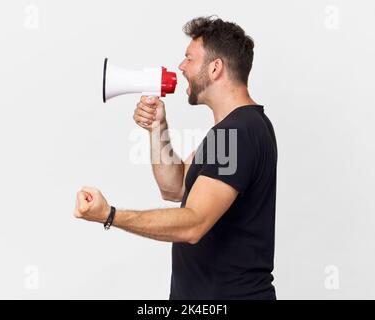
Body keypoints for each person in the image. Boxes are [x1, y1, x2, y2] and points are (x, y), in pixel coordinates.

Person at [74, 16, 278, 300]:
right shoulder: (232, 130)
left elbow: (193, 224)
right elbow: (175, 187)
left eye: (189, 58)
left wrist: (109, 215)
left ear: (215, 68)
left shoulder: (237, 132)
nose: (181, 67)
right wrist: (158, 128)